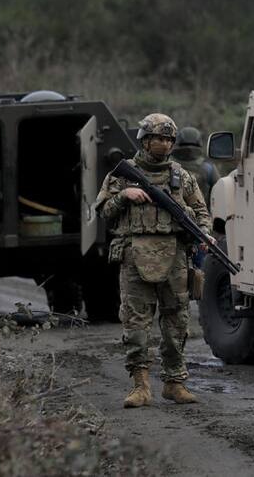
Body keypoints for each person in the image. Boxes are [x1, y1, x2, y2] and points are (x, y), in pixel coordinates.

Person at [94, 113, 209, 409]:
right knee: (135, 323)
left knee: (177, 322)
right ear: (145, 140)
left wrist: (204, 235)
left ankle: (174, 382)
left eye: (169, 139)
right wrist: (125, 196)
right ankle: (140, 385)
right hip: (135, 256)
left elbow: (201, 212)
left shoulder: (181, 176)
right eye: (158, 138)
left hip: (175, 257)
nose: (164, 144)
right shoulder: (122, 175)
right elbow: (103, 210)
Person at [172, 126, 220, 204]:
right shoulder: (208, 168)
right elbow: (219, 193)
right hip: (201, 214)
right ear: (199, 142)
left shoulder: (169, 164)